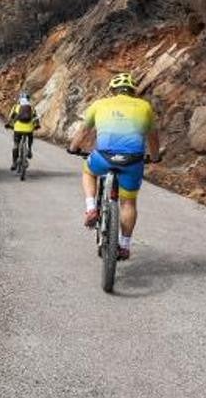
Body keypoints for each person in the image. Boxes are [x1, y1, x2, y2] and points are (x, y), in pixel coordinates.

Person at [68, 72, 161, 260]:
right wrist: (155, 157)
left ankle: (91, 207)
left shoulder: (99, 104)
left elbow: (84, 130)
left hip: (104, 157)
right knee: (128, 203)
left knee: (88, 171)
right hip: (132, 161)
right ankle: (125, 245)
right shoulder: (145, 107)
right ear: (133, 91)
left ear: (112, 90)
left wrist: (73, 148)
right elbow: (153, 137)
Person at [5, 91, 40, 171]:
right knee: (30, 136)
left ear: (20, 99)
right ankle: (30, 149)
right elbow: (36, 118)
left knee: (16, 145)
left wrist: (8, 124)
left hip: (17, 128)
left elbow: (11, 118)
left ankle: (14, 163)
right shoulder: (31, 107)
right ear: (28, 99)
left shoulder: (15, 107)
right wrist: (37, 126)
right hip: (29, 128)